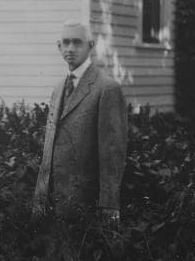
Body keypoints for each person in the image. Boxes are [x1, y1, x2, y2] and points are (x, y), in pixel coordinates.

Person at [33, 19, 128, 223]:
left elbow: (112, 154)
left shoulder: (107, 88)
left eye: (77, 42)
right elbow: (49, 150)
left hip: (85, 206)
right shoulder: (58, 89)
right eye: (65, 43)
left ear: (90, 46)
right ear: (59, 47)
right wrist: (40, 199)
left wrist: (109, 205)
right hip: (51, 204)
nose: (70, 48)